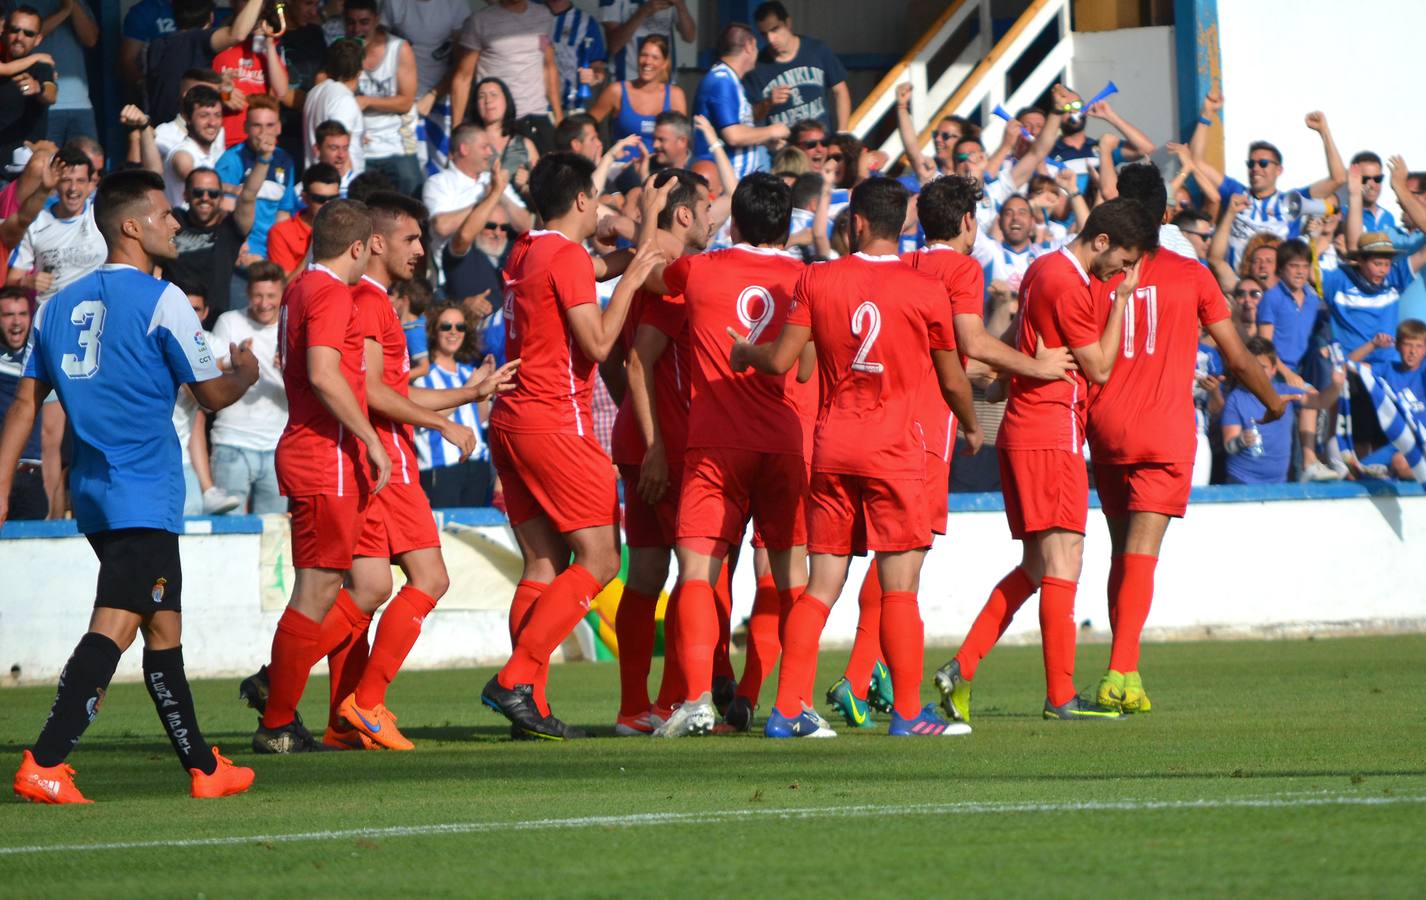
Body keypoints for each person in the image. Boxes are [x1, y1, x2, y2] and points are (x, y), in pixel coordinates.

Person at [2, 168, 259, 804]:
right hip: (142, 488)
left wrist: (2, 482)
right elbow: (210, 392)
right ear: (131, 226)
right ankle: (46, 761)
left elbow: (26, 406)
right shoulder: (161, 297)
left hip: (95, 491)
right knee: (116, 625)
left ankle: (203, 766)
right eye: (165, 214)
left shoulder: (57, 303)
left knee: (163, 628)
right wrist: (247, 373)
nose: (176, 223)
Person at [729, 177, 980, 739]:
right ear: (903, 225)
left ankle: (787, 709)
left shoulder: (816, 278)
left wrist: (744, 350)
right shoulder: (925, 290)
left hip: (833, 446)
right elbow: (953, 379)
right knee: (899, 588)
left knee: (821, 586)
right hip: (896, 450)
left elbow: (782, 363)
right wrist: (969, 422)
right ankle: (910, 716)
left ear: (856, 224)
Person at [820, 174, 1072, 730]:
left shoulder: (906, 265)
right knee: (903, 556)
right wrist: (1035, 366)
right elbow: (970, 346)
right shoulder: (960, 269)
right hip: (924, 432)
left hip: (881, 419)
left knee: (890, 554)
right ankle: (864, 677)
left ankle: (863, 673)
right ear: (965, 223)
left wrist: (985, 366)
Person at [1073, 164, 1287, 715]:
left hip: (1106, 426)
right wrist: (1272, 400)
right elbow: (1237, 355)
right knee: (1143, 555)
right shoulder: (1192, 275)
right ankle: (1119, 673)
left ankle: (1131, 672)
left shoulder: (1100, 271)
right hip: (1165, 430)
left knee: (1121, 555)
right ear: (1166, 215)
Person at [938, 198, 1156, 722]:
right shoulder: (1069, 283)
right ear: (1100, 242)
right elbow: (1098, 368)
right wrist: (1122, 301)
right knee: (1065, 562)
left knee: (1036, 565)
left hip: (1024, 429)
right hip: (1051, 430)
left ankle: (961, 668)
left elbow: (1020, 336)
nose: (1122, 273)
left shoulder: (1040, 269)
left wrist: (1004, 379)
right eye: (1122, 261)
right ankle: (1060, 697)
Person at [321, 191, 517, 751]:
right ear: (375, 242)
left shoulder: (371, 300)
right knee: (426, 580)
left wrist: (472, 392)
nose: (420, 250)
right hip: (385, 458)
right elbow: (377, 394)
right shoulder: (367, 303)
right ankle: (357, 699)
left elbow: (389, 391)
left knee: (367, 588)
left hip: (377, 456)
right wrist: (448, 425)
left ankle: (338, 716)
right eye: (410, 239)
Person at [476, 153, 663, 741]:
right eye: (600, 198)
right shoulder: (565, 257)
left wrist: (632, 247)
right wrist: (633, 275)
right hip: (555, 420)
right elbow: (602, 341)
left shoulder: (528, 249)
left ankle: (527, 705)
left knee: (542, 563)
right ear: (582, 200)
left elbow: (588, 272)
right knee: (602, 559)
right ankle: (513, 679)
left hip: (510, 419)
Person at [248, 198, 393, 754]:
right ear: (358, 248)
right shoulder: (331, 292)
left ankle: (277, 692)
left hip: (323, 454)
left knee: (369, 583)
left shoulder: (299, 287)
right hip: (324, 456)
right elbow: (324, 374)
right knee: (316, 590)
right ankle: (277, 720)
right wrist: (370, 437)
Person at [592, 169, 707, 735]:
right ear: (684, 215)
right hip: (671, 449)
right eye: (705, 209)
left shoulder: (633, 272)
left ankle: (633, 709)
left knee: (646, 575)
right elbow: (637, 361)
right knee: (697, 574)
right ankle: (668, 705)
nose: (711, 221)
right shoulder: (672, 277)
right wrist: (659, 445)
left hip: (639, 443)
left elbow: (613, 360)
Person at [1191, 92, 1346, 267]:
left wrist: (1324, 131)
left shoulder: (1292, 201)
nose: (1255, 168)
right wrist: (1206, 114)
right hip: (1240, 289)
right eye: (1251, 164)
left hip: (1276, 288)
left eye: (1263, 163)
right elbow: (1196, 162)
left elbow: (1338, 178)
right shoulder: (1235, 191)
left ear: (1279, 170)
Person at [209, 260, 287, 514]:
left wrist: (289, 370)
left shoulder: (292, 328)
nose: (264, 303)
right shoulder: (229, 322)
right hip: (232, 441)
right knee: (229, 533)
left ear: (283, 294)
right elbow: (209, 374)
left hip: (278, 446)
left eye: (271, 296)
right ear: (247, 294)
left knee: (273, 536)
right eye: (257, 296)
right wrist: (234, 362)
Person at [1256, 238, 1337, 481]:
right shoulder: (1271, 298)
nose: (1300, 272)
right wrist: (1286, 372)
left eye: (1304, 266)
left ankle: (1325, 459)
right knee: (1310, 398)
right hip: (1278, 373)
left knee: (1331, 393)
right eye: (1294, 266)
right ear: (1281, 269)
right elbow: (1264, 347)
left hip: (1303, 372)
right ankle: (1310, 462)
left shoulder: (1314, 300)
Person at [423, 122, 531, 287]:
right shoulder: (439, 183)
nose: (491, 153)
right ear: (465, 149)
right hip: (453, 278)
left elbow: (526, 225)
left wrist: (500, 195)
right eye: (484, 147)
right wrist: (486, 200)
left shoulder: (494, 181)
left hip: (497, 275)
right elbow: (441, 226)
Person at [1222, 337, 1340, 485]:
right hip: (1241, 483)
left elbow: (1320, 402)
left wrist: (1336, 386)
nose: (1257, 372)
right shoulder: (1236, 399)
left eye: (1262, 367)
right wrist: (1241, 440)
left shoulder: (1285, 391)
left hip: (1278, 485)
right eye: (1253, 366)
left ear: (1273, 370)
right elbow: (1229, 446)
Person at [450, 0, 562, 152]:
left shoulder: (543, 15)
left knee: (549, 172)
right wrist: (457, 133)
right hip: (499, 122)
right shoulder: (480, 20)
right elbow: (463, 78)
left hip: (538, 115)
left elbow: (549, 67)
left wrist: (558, 116)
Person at [6, 147, 106, 305]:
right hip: (51, 320)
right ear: (56, 183)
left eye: (80, 181)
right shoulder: (35, 224)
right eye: (67, 180)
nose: (73, 188)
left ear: (90, 185)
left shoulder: (102, 216)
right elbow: (11, 280)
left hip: (95, 320)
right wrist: (27, 282)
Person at [166, 162, 264, 320]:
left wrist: (264, 159)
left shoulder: (230, 229)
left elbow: (248, 196)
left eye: (212, 193)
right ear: (186, 195)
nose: (205, 198)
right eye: (198, 192)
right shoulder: (174, 221)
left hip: (214, 323)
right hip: (171, 319)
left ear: (221, 198)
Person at [415, 302, 491, 504]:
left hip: (477, 466)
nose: (453, 332)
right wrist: (471, 389)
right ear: (433, 331)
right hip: (441, 469)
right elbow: (425, 420)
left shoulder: (469, 372)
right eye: (446, 326)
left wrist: (485, 388)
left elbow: (480, 418)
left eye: (460, 327)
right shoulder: (423, 377)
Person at [343, 0, 421, 196]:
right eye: (351, 23)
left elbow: (405, 102)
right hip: (359, 146)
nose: (357, 29)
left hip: (396, 145)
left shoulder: (399, 49)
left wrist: (367, 101)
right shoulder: (342, 50)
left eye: (364, 22)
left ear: (377, 20)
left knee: (408, 206)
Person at [145, 0, 265, 128]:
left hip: (159, 131)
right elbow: (236, 35)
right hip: (185, 133)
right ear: (211, 17)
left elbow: (179, 81)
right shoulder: (198, 40)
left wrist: (221, 87)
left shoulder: (157, 45)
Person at [693, 23, 786, 179]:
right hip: (724, 182)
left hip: (736, 181)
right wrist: (772, 131)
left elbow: (734, 132)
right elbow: (733, 135)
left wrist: (764, 140)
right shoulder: (722, 80)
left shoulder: (731, 80)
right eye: (756, 47)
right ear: (749, 46)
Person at [215, 94, 296, 262]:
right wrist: (240, 247)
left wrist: (278, 252)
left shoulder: (285, 160)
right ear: (245, 127)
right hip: (242, 254)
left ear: (279, 128)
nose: (263, 133)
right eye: (257, 126)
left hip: (272, 254)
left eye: (270, 125)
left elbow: (283, 212)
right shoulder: (232, 159)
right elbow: (225, 210)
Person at [746, 2, 849, 132]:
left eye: (775, 29)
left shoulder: (817, 50)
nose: (771, 39)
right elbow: (750, 117)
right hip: (784, 150)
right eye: (764, 34)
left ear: (788, 23)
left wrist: (842, 132)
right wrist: (767, 102)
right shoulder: (757, 67)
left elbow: (840, 91)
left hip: (819, 146)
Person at [587, 34, 685, 157]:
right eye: (644, 55)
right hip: (621, 170)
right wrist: (598, 154)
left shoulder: (675, 95)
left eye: (655, 57)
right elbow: (585, 126)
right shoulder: (617, 91)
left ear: (665, 63)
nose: (648, 62)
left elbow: (681, 140)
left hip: (660, 170)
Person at [211, 11, 288, 149]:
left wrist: (269, 44)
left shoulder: (269, 54)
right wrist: (225, 92)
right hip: (230, 140)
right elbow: (219, 96)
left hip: (263, 139)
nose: (256, 26)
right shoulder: (223, 53)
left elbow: (281, 91)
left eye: (261, 22)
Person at [0, 286, 44, 519]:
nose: (16, 322)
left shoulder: (41, 360)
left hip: (31, 477)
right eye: (8, 315)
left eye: (22, 314)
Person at [0, 6, 56, 162]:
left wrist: (38, 88)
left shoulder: (41, 67)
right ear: (4, 31)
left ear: (38, 39)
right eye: (14, 30)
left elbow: (51, 94)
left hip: (22, 166)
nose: (19, 37)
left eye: (28, 33)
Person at [302, 37, 366, 174]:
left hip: (318, 180)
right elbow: (339, 151)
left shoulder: (314, 92)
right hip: (338, 186)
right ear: (360, 71)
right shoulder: (344, 101)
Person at [267, 163, 341, 276]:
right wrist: (314, 245)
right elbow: (286, 289)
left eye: (333, 199)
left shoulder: (347, 227)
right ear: (305, 198)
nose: (328, 204)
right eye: (319, 199)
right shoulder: (281, 233)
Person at [599, 0, 694, 84]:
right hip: (627, 81)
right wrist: (643, 11)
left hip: (664, 82)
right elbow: (614, 45)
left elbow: (690, 37)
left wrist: (681, 5)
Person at [163, 83, 227, 208]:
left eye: (217, 115)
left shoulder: (216, 153)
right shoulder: (182, 153)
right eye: (204, 116)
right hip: (181, 225)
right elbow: (198, 182)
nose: (212, 123)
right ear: (187, 118)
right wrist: (239, 190)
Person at [546, 0, 606, 114]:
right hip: (535, 107)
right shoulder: (531, 15)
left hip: (572, 107)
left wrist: (593, 78)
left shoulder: (587, 23)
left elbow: (599, 68)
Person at [153, 68, 225, 161]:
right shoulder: (162, 135)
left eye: (215, 95)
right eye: (205, 94)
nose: (212, 123)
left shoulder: (219, 132)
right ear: (187, 95)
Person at [313, 119, 358, 196]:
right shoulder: (302, 191)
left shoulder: (359, 186)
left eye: (345, 148)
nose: (341, 155)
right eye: (334, 148)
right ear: (317, 149)